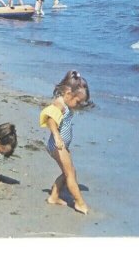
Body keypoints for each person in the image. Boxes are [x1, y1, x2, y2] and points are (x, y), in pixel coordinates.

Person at [40, 70, 91, 214]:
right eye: (78, 101)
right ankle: (79, 203)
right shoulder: (60, 103)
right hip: (57, 145)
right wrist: (57, 137)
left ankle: (54, 196)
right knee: (70, 174)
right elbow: (50, 118)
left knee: (69, 172)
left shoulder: (67, 104)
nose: (78, 105)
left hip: (62, 145)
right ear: (68, 94)